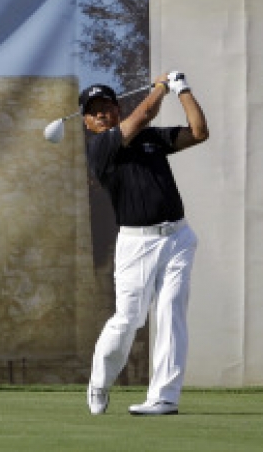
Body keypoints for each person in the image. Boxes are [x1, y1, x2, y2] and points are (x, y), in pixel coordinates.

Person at [82, 71, 209, 416]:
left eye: (107, 105)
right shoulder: (100, 148)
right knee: (129, 319)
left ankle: (164, 397)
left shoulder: (150, 138)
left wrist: (183, 88)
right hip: (136, 245)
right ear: (87, 123)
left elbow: (199, 132)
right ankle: (99, 383)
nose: (102, 112)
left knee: (171, 310)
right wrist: (160, 88)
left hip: (178, 238)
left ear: (116, 108)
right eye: (94, 110)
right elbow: (145, 113)